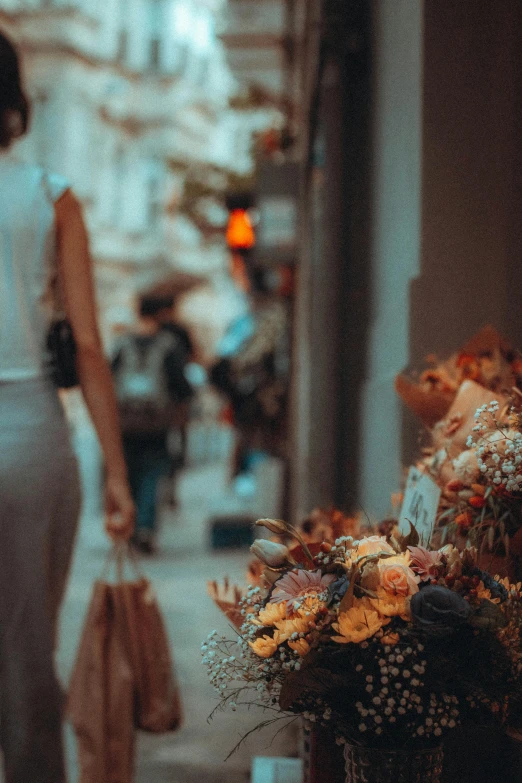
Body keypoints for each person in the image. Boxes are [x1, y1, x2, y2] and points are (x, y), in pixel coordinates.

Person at [0, 31, 135, 783]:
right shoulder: (51, 198)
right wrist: (117, 473)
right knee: (23, 659)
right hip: (28, 439)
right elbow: (86, 345)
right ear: (14, 102)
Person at [112, 296, 194, 553]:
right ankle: (145, 526)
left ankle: (132, 524)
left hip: (125, 421)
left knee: (130, 473)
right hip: (156, 423)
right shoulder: (168, 345)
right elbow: (181, 386)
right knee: (152, 473)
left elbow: (108, 378)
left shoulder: (122, 344)